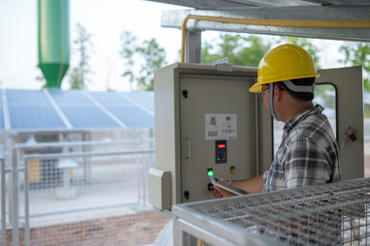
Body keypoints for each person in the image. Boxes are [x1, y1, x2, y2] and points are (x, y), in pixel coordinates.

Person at [211, 43, 341, 198]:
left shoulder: (302, 140)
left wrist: (239, 202)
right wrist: (232, 188)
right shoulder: (310, 124)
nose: (264, 98)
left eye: (263, 92)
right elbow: (273, 178)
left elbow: (301, 217)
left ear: (276, 92)